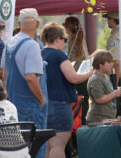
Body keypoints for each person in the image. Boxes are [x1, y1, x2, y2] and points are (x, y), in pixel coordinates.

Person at [40, 22, 92, 158]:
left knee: (47, 146)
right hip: (60, 105)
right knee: (58, 146)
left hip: (43, 104)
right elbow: (73, 78)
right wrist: (88, 73)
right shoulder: (59, 55)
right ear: (57, 39)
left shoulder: (39, 54)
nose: (65, 42)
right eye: (65, 39)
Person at [1, 8, 47, 157]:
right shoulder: (32, 45)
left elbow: (5, 75)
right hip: (30, 104)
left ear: (19, 23)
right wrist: (41, 99)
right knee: (36, 147)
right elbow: (30, 77)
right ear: (37, 24)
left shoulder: (9, 43)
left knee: (17, 148)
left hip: (12, 102)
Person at [63, 16, 90, 125]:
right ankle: (82, 121)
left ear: (67, 27)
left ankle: (80, 122)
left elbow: (72, 61)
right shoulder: (78, 39)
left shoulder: (74, 41)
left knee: (80, 102)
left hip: (78, 75)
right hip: (84, 75)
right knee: (84, 101)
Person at [86, 49, 121, 123]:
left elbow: (107, 92)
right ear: (100, 64)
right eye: (109, 62)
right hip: (98, 119)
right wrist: (114, 93)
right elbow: (99, 99)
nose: (112, 64)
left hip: (107, 118)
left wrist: (115, 90)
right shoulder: (95, 79)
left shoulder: (105, 76)